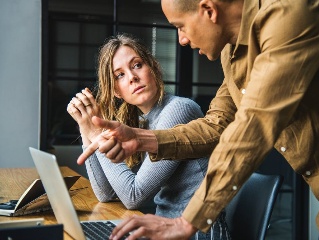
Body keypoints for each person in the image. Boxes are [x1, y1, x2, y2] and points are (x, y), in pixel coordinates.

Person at [77, 0, 319, 239]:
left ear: (208, 10)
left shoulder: (291, 14)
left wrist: (188, 221)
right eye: (119, 75)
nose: (181, 39)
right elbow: (217, 125)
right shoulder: (233, 53)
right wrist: (140, 138)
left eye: (181, 26)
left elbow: (254, 125)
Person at [67, 34, 230, 240]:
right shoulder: (143, 120)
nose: (132, 77)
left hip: (198, 233)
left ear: (154, 67)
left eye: (136, 65)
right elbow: (105, 194)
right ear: (117, 92)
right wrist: (86, 128)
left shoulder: (179, 110)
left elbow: (132, 196)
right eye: (120, 75)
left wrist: (96, 134)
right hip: (164, 230)